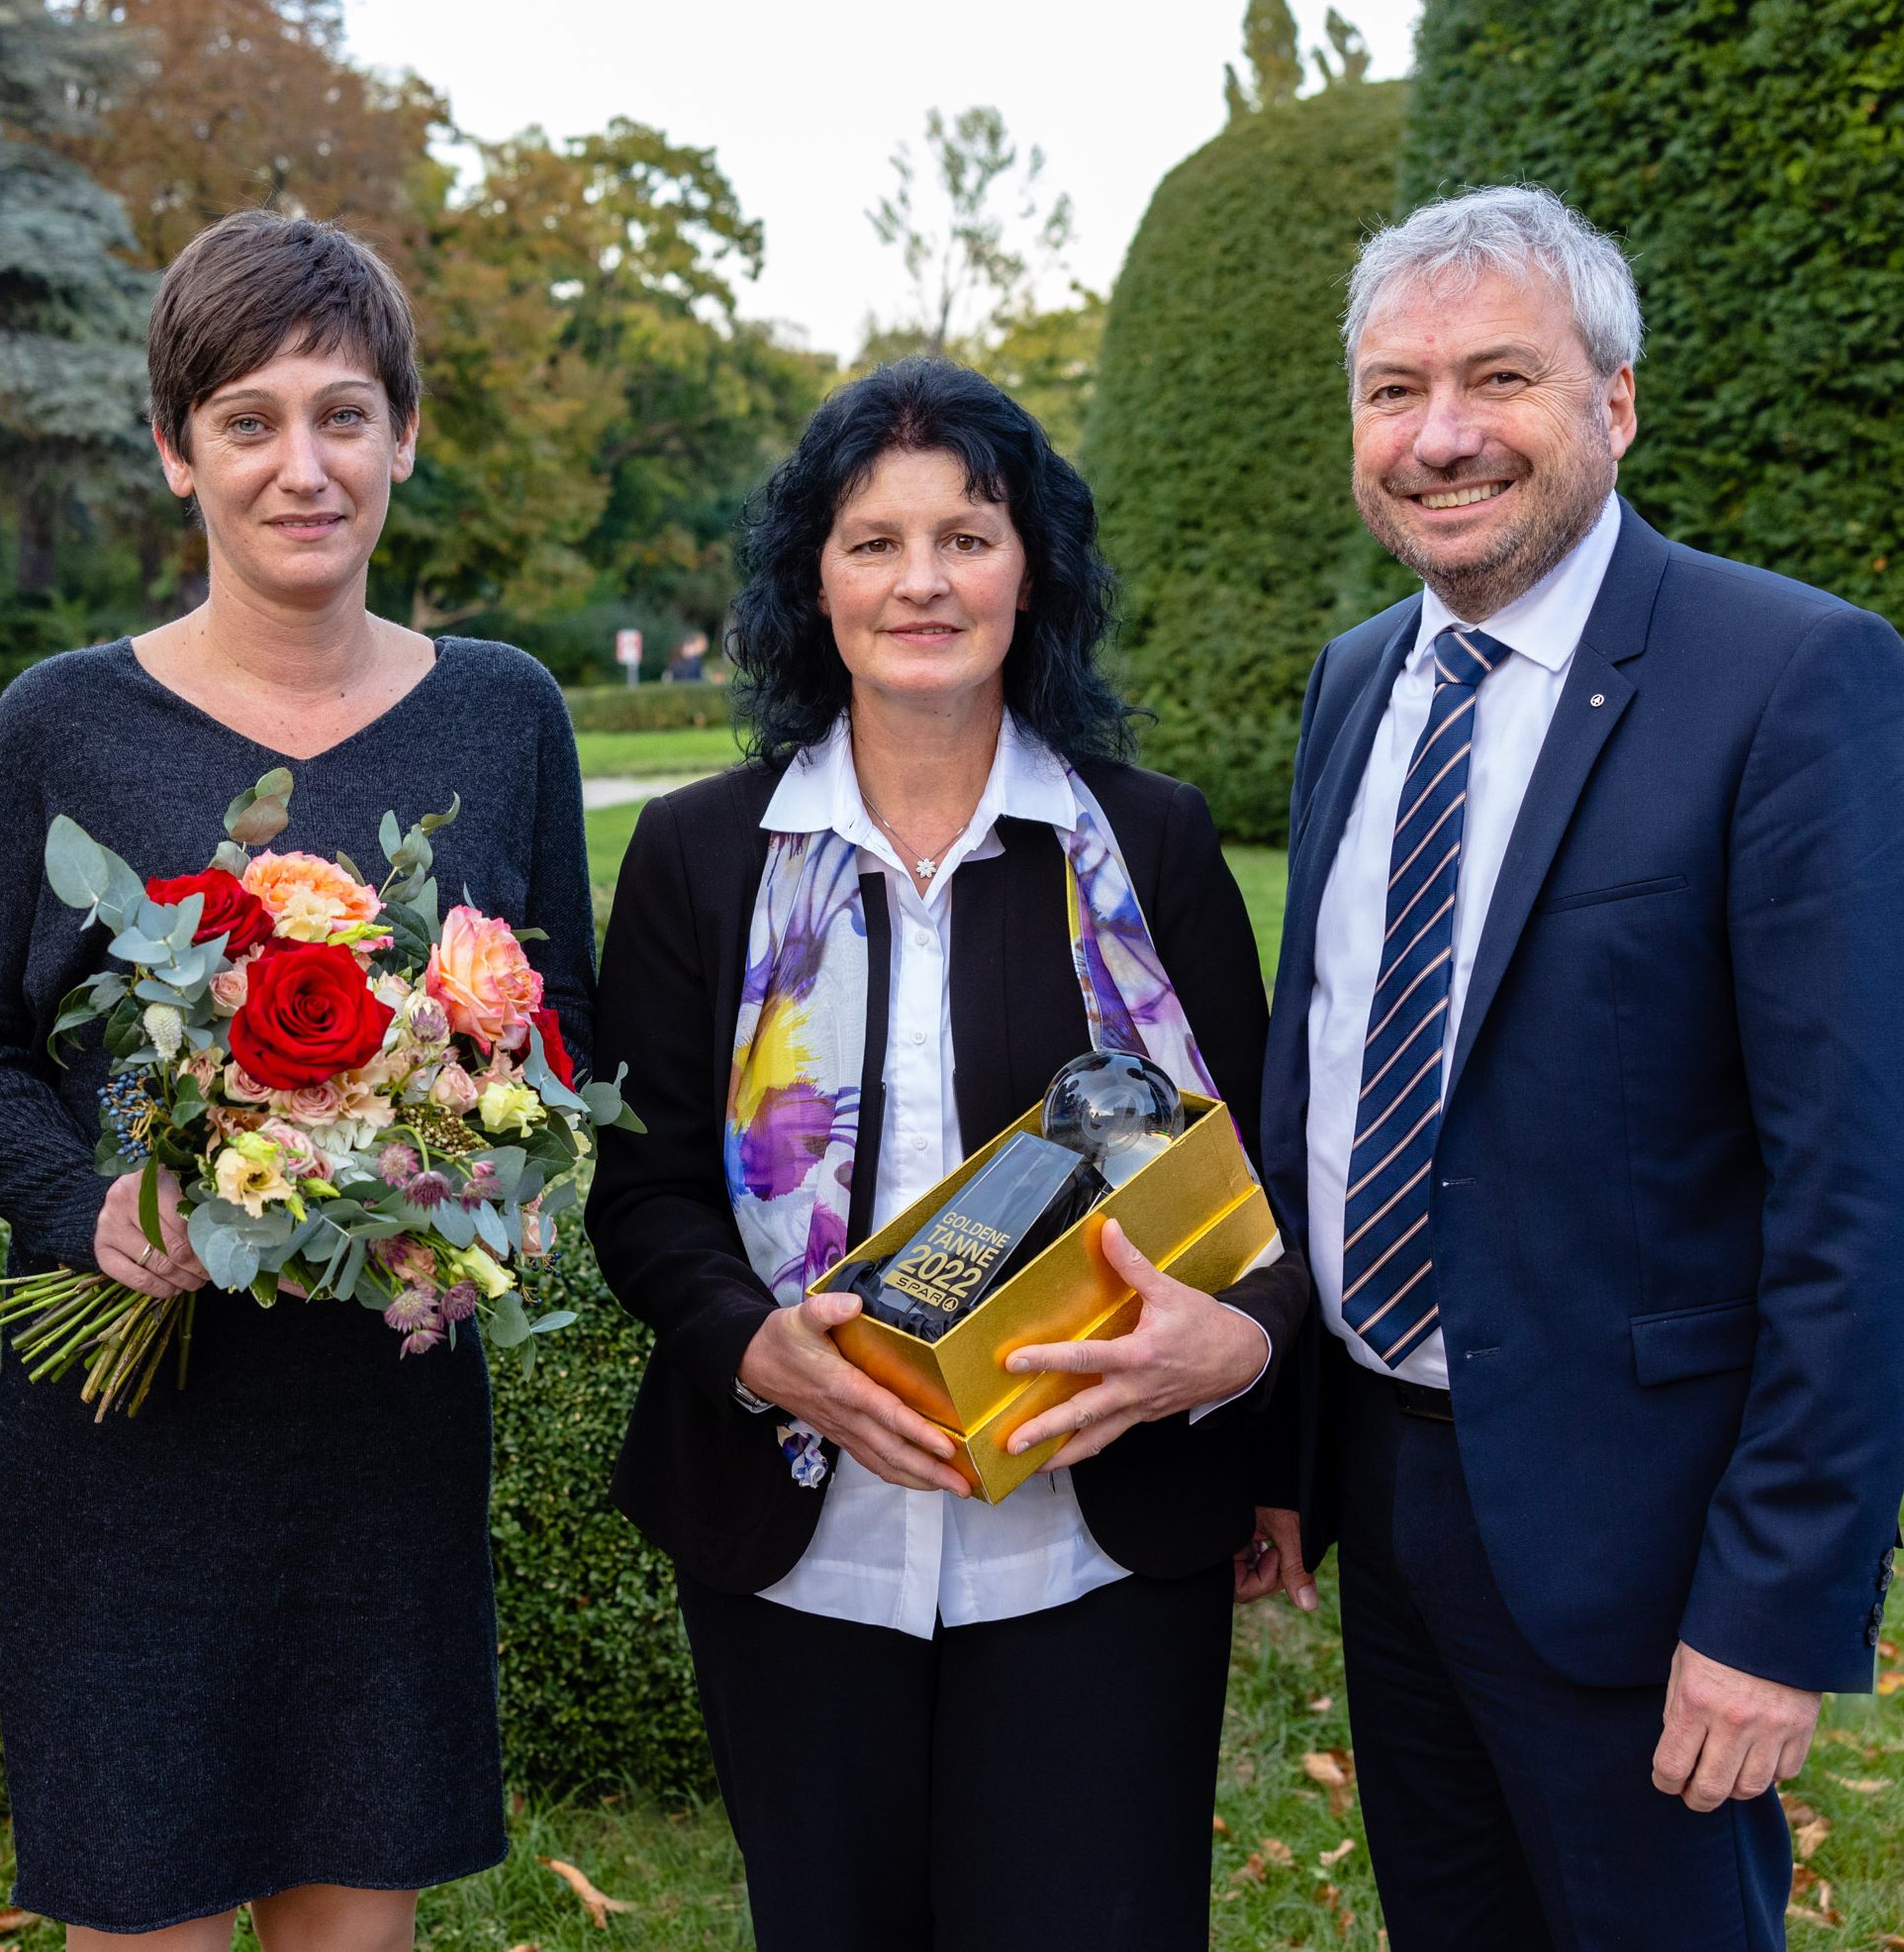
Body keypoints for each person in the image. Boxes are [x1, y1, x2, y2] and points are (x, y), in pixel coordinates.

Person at [0, 211, 595, 1952]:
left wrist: (478, 1221)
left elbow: (556, 1030)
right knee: (145, 1909)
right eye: (249, 421)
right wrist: (87, 1201)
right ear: (173, 451)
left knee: (355, 1919)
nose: (305, 465)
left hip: (380, 1432)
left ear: (405, 436)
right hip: (130, 1444)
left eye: (345, 414)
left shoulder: (503, 715)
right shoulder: (61, 723)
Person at [585, 358, 1312, 1951]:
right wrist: (748, 1346)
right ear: (812, 582)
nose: (921, 579)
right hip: (797, 1548)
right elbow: (636, 1192)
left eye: (966, 535)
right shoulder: (700, 856)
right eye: (872, 541)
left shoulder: (1152, 843)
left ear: (1028, 568)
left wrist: (1247, 1380)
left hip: (1094, 1549)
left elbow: (1262, 1192)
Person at [1250, 184, 1904, 1950]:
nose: (1439, 436)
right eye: (1393, 391)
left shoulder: (1791, 679)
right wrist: (1287, 1452)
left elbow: (1858, 1185)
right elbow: (1323, 1078)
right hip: (1390, 1495)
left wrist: (1775, 1608)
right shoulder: (1353, 683)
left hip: (1642, 1542)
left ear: (1613, 404)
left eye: (1496, 380)